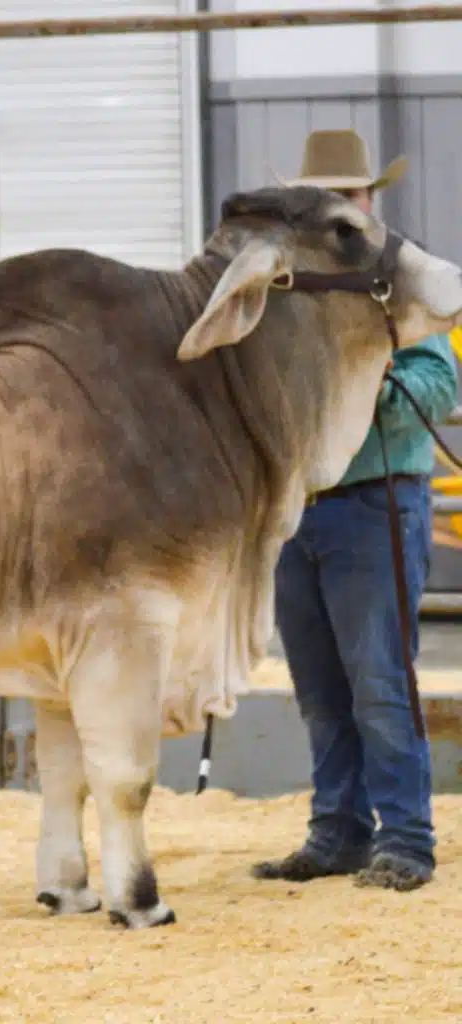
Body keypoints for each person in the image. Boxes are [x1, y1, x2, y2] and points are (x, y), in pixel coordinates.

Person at [251, 129, 459, 892]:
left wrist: (368, 386)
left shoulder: (400, 277)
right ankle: (337, 832)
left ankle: (405, 839)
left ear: (370, 199)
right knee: (318, 687)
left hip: (375, 502)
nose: (342, 205)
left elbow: (439, 382)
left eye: (352, 193)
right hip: (297, 510)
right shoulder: (282, 288)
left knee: (378, 680)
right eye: (327, 195)